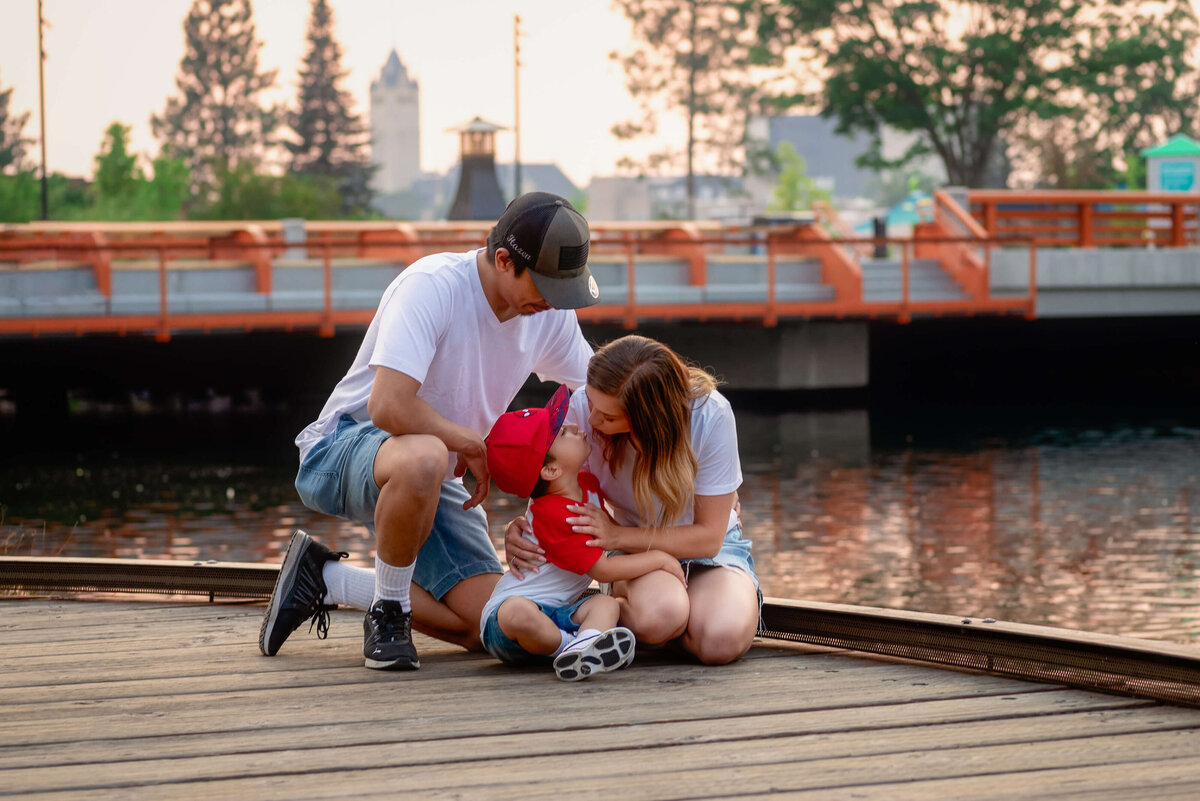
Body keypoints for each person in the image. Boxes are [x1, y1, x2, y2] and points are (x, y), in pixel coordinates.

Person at [258, 192, 600, 670]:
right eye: (546, 287)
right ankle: (390, 611)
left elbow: (598, 400)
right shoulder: (432, 286)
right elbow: (388, 406)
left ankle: (328, 578)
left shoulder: (549, 316)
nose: (553, 304)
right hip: (341, 449)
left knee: (493, 625)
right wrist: (465, 441)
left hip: (433, 475)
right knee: (426, 455)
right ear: (504, 261)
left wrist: (538, 514)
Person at [505, 334, 759, 666]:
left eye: (608, 418)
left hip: (709, 549)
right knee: (660, 617)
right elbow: (550, 487)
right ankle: (640, 619)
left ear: (648, 420)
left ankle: (681, 619)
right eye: (592, 405)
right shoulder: (585, 407)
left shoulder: (710, 415)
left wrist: (617, 535)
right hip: (636, 553)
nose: (592, 420)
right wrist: (526, 530)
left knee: (720, 642)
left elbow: (709, 538)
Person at [480, 385, 686, 680]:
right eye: (563, 432)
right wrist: (661, 558)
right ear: (550, 472)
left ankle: (583, 645)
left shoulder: (587, 485)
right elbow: (602, 570)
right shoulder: (553, 514)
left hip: (560, 613)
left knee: (604, 604)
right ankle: (572, 648)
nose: (576, 426)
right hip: (506, 626)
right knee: (518, 611)